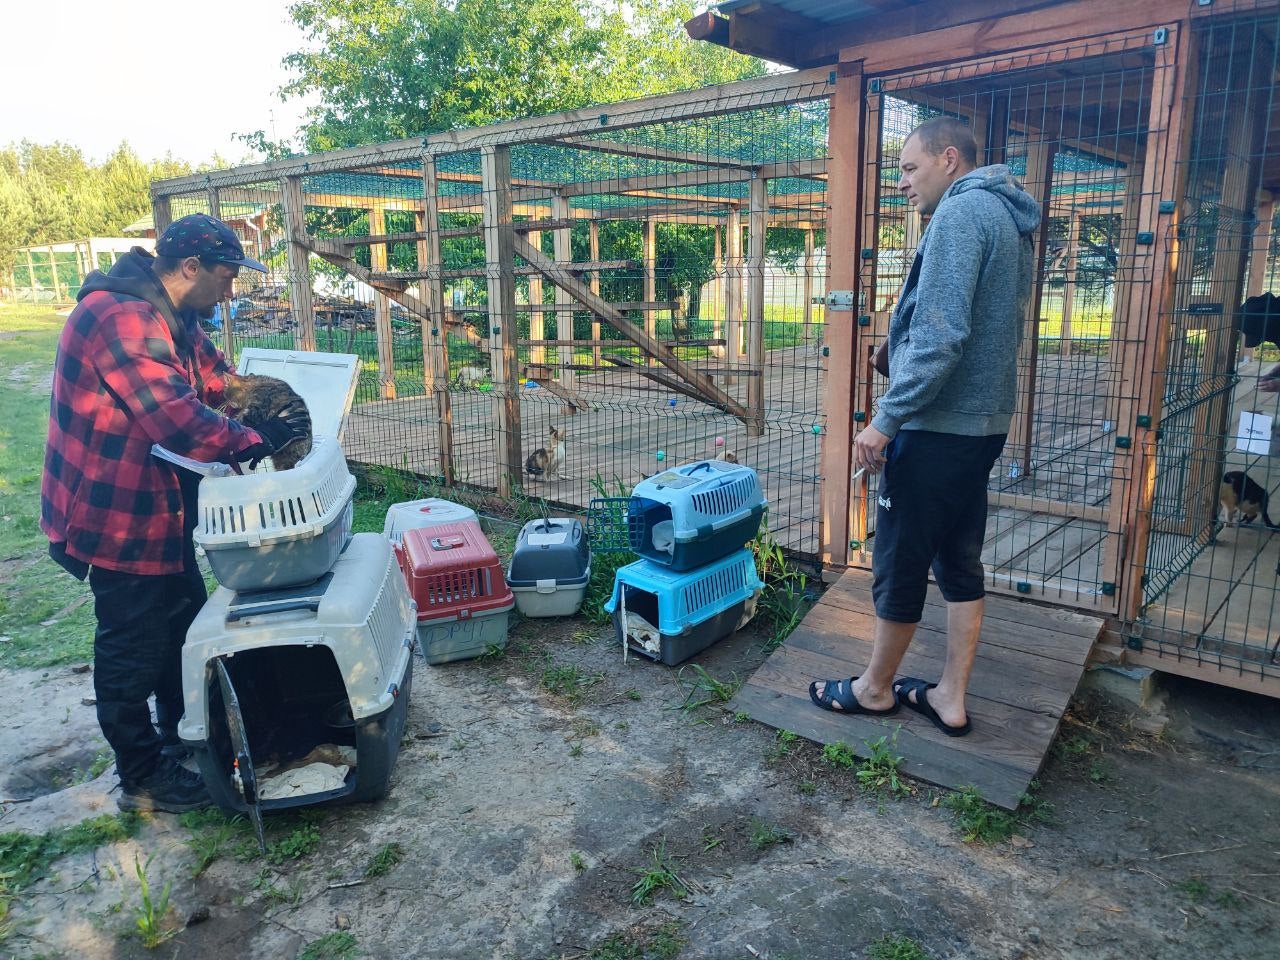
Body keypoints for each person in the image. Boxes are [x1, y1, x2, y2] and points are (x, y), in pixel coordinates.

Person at [41, 214, 309, 812]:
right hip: (113, 514)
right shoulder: (121, 319)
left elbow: (216, 381)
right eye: (226, 276)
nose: (231, 290)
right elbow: (175, 419)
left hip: (159, 507)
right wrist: (253, 441)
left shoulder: (173, 314)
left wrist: (265, 403)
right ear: (191, 268)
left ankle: (176, 736)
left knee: (182, 625)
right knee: (132, 643)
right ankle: (141, 775)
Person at [809, 117, 1040, 736]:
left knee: (900, 557)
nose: (903, 183)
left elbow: (943, 337)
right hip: (983, 422)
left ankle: (875, 689)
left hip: (937, 424)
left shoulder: (962, 217)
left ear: (949, 159)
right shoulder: (1005, 216)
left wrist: (886, 418)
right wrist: (898, 345)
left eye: (910, 169)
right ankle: (949, 697)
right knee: (959, 557)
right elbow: (973, 322)